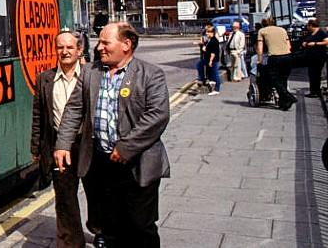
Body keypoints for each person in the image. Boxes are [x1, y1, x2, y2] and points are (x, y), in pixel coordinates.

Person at [55, 22, 171, 247]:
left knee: (140, 226)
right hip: (101, 163)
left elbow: (157, 116)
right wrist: (62, 144)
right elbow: (74, 110)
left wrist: (126, 147)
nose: (99, 47)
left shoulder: (150, 74)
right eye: (99, 42)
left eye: (105, 42)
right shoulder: (90, 72)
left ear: (126, 45)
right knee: (109, 226)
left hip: (138, 163)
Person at [30, 30, 87, 248]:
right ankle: (70, 242)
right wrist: (36, 146)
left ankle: (99, 229)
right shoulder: (44, 79)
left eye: (69, 48)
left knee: (97, 195)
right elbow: (38, 116)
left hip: (87, 145)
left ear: (79, 50)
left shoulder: (90, 75)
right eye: (60, 48)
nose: (64, 52)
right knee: (64, 199)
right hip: (58, 147)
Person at [256, 18, 297, 111]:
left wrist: (259, 60)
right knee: (283, 79)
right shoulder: (282, 30)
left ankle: (289, 97)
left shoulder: (262, 31)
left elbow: (260, 47)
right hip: (287, 56)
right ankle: (284, 103)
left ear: (263, 24)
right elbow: (289, 46)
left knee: (274, 80)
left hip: (275, 57)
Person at [301, 19, 327, 97]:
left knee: (316, 74)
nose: (307, 27)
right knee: (311, 74)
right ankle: (313, 91)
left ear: (311, 26)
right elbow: (305, 40)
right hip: (311, 57)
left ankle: (316, 91)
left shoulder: (321, 33)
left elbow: (326, 41)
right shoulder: (310, 33)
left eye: (308, 26)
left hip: (319, 56)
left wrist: (315, 43)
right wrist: (304, 43)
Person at [199, 26, 221, 95]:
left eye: (208, 32)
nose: (206, 33)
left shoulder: (214, 41)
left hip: (213, 60)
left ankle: (216, 89)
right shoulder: (210, 40)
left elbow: (213, 53)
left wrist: (211, 61)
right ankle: (209, 80)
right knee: (200, 65)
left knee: (216, 74)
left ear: (212, 33)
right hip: (209, 59)